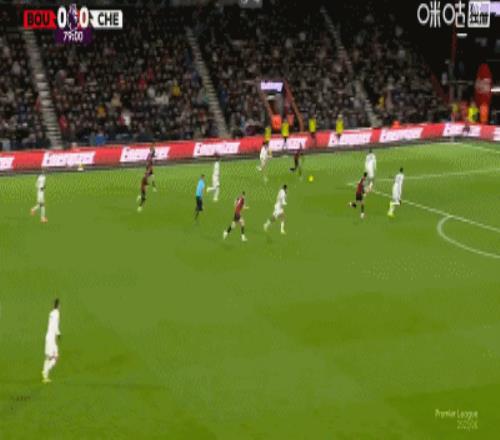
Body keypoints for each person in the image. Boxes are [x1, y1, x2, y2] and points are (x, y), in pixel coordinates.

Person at [42, 299, 61, 383]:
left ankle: (45, 375)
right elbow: (55, 325)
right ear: (59, 305)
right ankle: (45, 372)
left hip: (48, 337)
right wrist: (58, 333)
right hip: (51, 340)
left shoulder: (51, 313)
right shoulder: (57, 313)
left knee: (48, 357)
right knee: (55, 357)